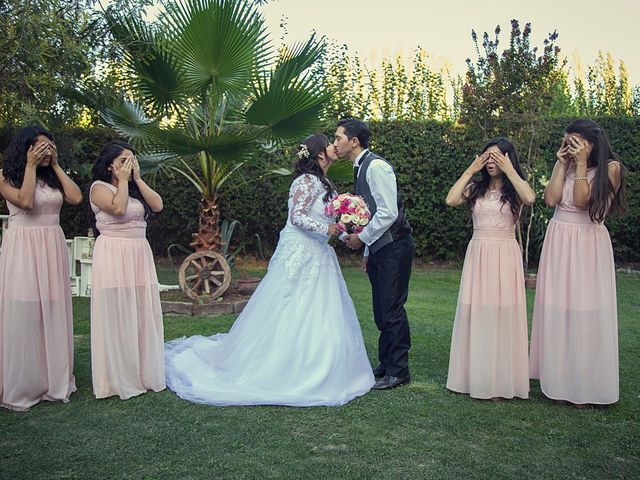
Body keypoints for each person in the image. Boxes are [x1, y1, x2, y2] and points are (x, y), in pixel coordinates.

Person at [164, 134, 374, 407]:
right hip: (300, 252)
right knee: (289, 305)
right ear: (319, 154)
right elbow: (297, 217)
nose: (335, 146)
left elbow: (328, 218)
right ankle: (279, 367)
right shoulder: (306, 181)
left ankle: (320, 363)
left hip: (320, 253)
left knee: (321, 308)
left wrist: (348, 235)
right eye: (330, 144)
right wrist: (328, 229)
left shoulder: (325, 183)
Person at [530, 119, 626, 407]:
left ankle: (586, 385)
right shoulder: (567, 165)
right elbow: (550, 199)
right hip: (559, 238)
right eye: (566, 142)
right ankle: (559, 381)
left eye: (574, 142)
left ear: (591, 142)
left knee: (585, 310)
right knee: (558, 308)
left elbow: (584, 201)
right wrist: (561, 164)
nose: (569, 147)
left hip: (587, 242)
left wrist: (582, 164)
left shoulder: (611, 168)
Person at [445, 138, 536, 400]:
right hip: (479, 253)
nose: (491, 162)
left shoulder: (515, 189)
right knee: (477, 312)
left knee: (502, 314)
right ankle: (475, 377)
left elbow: (530, 197)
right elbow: (451, 199)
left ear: (508, 159)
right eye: (487, 157)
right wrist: (471, 170)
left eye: (497, 157)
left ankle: (503, 381)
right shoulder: (476, 187)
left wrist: (510, 171)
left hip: (505, 254)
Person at [0, 126, 82, 410]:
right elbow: (25, 201)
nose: (47, 152)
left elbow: (76, 198)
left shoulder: (52, 177)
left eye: (51, 147)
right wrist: (31, 166)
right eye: (41, 147)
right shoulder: (5, 176)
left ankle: (53, 379)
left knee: (53, 308)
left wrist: (56, 165)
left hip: (51, 245)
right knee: (24, 312)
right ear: (26, 149)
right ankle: (23, 381)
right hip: (23, 247)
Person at [333, 118, 414, 390]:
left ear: (354, 142)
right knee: (381, 308)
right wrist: (368, 251)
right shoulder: (360, 168)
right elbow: (368, 215)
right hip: (380, 248)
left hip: (395, 246)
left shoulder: (376, 166)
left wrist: (361, 239)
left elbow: (388, 213)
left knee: (391, 308)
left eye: (338, 138)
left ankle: (399, 370)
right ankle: (386, 363)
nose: (335, 144)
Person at [89, 140, 165, 400]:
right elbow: (118, 209)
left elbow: (157, 205)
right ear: (110, 164)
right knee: (118, 313)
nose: (128, 165)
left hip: (138, 254)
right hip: (113, 254)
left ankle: (143, 372)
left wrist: (138, 179)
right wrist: (122, 180)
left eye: (132, 160)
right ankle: (117, 377)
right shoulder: (99, 188)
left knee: (141, 312)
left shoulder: (134, 190)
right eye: (123, 160)